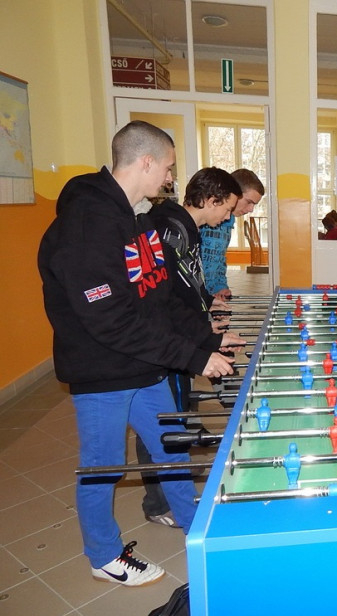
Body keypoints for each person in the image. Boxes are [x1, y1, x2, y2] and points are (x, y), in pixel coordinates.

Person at [38, 121, 238, 587]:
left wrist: (207, 339)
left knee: (172, 447)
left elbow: (162, 298)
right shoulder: (86, 226)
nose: (171, 178)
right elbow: (111, 321)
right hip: (102, 370)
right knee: (103, 466)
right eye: (167, 168)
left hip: (145, 367)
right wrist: (193, 359)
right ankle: (104, 555)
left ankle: (193, 523)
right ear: (145, 162)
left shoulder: (142, 221)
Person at [137, 167, 246, 527]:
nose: (227, 217)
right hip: (166, 343)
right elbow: (166, 300)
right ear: (211, 200)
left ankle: (175, 483)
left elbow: (188, 284)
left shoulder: (186, 229)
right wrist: (205, 337)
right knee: (161, 422)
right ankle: (158, 503)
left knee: (177, 413)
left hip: (181, 336)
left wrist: (207, 307)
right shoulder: (168, 230)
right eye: (227, 208)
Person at [200, 168, 265, 300]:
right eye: (249, 202)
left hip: (213, 297)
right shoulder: (208, 218)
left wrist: (220, 287)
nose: (251, 209)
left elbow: (218, 258)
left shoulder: (229, 220)